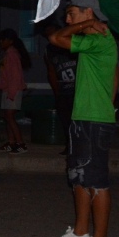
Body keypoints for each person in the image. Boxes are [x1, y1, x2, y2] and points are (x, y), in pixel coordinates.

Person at [46, 0, 118, 237]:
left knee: (96, 181)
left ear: (89, 12)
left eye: (72, 13)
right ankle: (79, 232)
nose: (67, 18)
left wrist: (85, 26)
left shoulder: (99, 37)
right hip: (84, 116)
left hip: (94, 119)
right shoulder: (91, 37)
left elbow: (56, 38)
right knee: (78, 177)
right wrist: (85, 25)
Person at [43, 21, 78, 155]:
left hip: (79, 89)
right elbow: (51, 71)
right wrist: (57, 92)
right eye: (47, 35)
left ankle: (80, 146)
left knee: (79, 121)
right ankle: (69, 146)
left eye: (52, 33)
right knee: (66, 121)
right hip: (64, 91)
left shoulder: (72, 43)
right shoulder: (49, 50)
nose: (50, 37)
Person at [0, 28, 31, 153]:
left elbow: (14, 77)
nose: (0, 43)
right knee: (7, 117)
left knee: (10, 117)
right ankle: (11, 142)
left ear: (9, 41)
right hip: (8, 90)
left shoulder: (12, 55)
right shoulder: (9, 54)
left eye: (2, 40)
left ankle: (20, 143)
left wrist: (11, 94)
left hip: (12, 91)